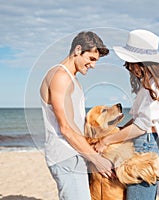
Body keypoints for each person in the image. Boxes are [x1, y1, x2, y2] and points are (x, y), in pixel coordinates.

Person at [95, 29, 159, 199]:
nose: (127, 67)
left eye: (129, 62)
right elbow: (138, 119)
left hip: (146, 147)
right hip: (149, 144)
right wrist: (117, 131)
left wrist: (105, 141)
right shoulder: (156, 84)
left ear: (141, 62)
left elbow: (142, 126)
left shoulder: (155, 86)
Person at [40, 31, 114, 200]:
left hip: (75, 153)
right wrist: (96, 159)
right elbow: (65, 128)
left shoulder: (71, 78)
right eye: (91, 59)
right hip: (65, 155)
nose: (93, 65)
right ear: (77, 50)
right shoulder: (60, 77)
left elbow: (76, 124)